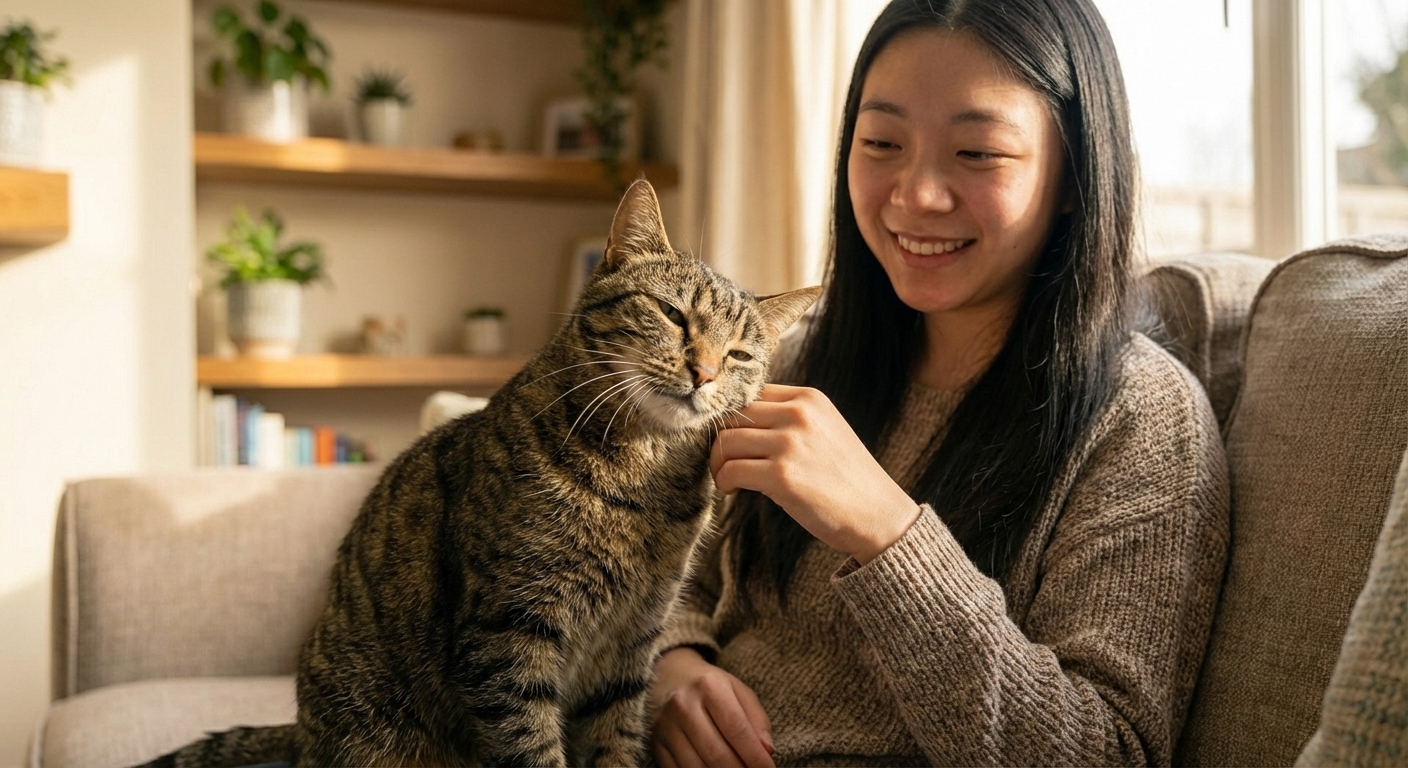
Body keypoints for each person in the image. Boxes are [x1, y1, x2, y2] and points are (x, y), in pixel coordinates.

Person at [646, 0, 1231, 766]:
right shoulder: (802, 359)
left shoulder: (1142, 419)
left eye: (978, 153)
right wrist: (672, 666)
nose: (917, 195)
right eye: (882, 141)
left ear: (1071, 175)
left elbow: (1102, 751)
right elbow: (664, 561)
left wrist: (887, 532)